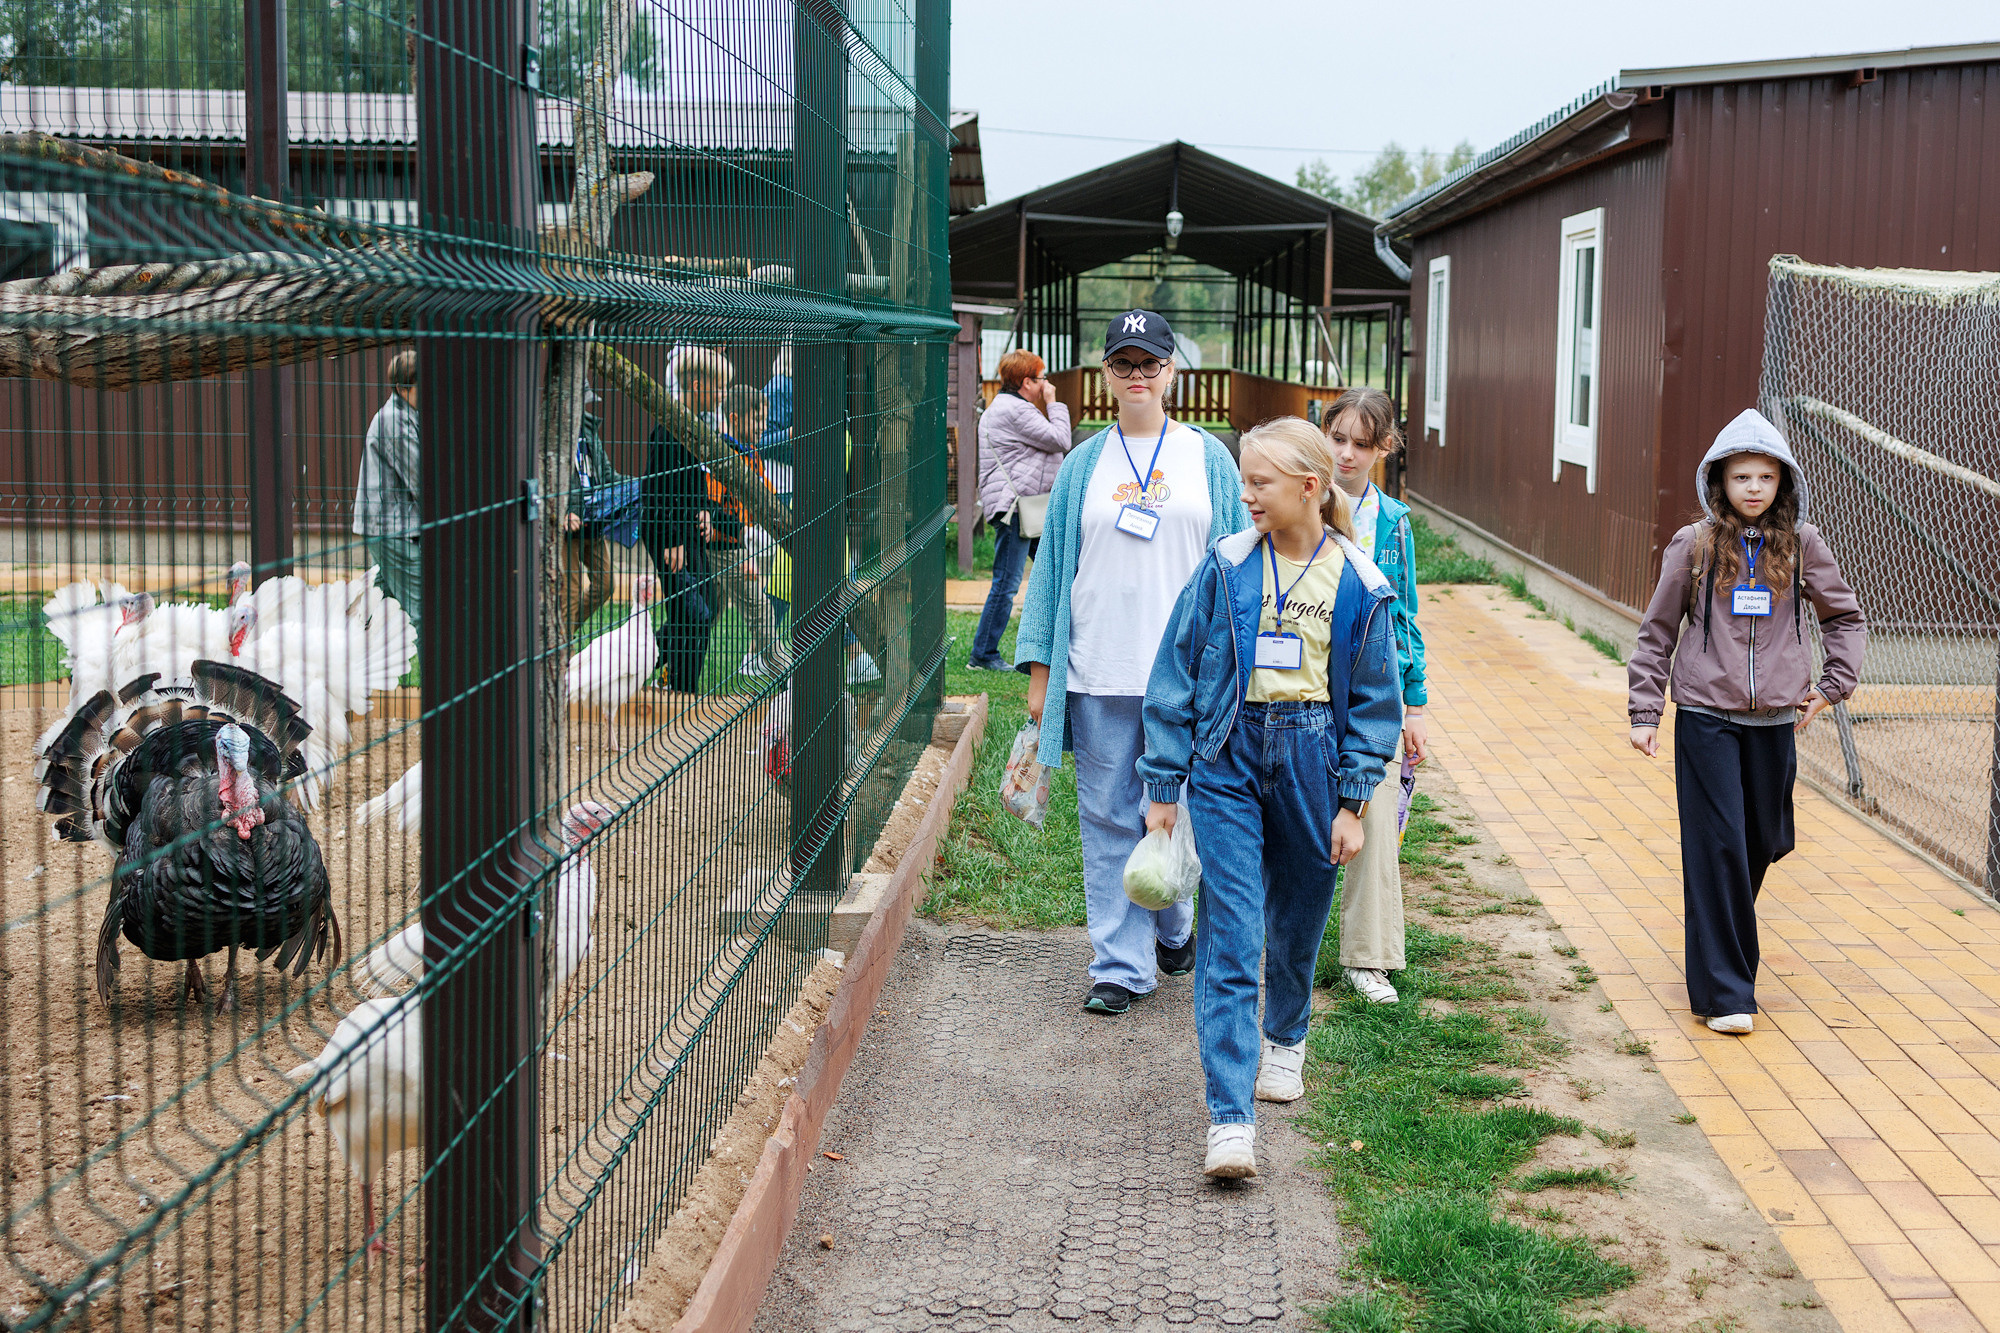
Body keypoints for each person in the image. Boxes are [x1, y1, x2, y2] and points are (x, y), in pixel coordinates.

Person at [1137, 416, 1401, 1179]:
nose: (1246, 495)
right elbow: (1176, 672)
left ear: (1310, 488)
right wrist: (1164, 785)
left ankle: (1286, 1036)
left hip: (1316, 759)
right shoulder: (1224, 568)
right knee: (1231, 928)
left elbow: (1376, 700)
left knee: (1296, 917)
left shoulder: (1359, 581)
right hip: (1228, 755)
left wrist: (1352, 801)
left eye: (1261, 482)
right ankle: (1230, 1119)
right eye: (1245, 480)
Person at [1014, 310, 1250, 1016]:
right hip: (1098, 670)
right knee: (1110, 817)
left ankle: (1172, 922)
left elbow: (1238, 563)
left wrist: (1237, 666)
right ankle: (1121, 966)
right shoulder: (1084, 462)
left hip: (1187, 678)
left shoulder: (1209, 460)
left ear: (1173, 369)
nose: (1138, 376)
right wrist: (1040, 671)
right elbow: (1053, 567)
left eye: (1151, 363)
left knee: (1176, 812)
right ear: (1106, 375)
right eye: (1125, 364)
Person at [1628, 409, 1866, 1035]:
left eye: (1766, 477)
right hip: (1707, 716)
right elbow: (1658, 630)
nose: (1754, 488)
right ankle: (1726, 992)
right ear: (1720, 483)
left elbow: (1844, 617)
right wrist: (1645, 710)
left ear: (1783, 483)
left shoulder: (1802, 545)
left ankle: (1716, 939)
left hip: (1776, 723)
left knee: (1762, 840)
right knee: (1719, 846)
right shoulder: (1696, 546)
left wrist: (1832, 687)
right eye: (1741, 477)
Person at [1321, 388, 1429, 1007]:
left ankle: (1370, 957)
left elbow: (1407, 612)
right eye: (1338, 439)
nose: (1347, 455)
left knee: (1376, 816)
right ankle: (1278, 941)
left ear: (1383, 448)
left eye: (1362, 444)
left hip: (1378, 688)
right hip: (1309, 679)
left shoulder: (1396, 522)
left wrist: (1414, 704)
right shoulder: (1301, 497)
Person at [970, 349, 1074, 670]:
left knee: (1056, 573)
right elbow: (1060, 438)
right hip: (1017, 509)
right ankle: (983, 654)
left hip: (1024, 508)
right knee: (1007, 582)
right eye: (1042, 378)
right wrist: (1054, 402)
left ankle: (1054, 645)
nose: (1046, 384)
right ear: (1027, 382)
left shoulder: (1008, 407)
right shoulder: (1015, 410)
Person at [642, 349, 727, 691]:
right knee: (695, 615)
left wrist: (705, 508)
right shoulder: (668, 431)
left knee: (700, 611)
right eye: (718, 387)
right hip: (669, 536)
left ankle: (672, 680)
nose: (722, 394)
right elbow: (653, 491)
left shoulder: (692, 426)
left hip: (689, 532)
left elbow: (691, 483)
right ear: (696, 385)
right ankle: (678, 686)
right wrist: (673, 538)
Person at [702, 384, 792, 680]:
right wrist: (742, 545)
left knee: (705, 615)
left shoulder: (751, 454)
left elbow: (765, 493)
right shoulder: (722, 453)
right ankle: (785, 677)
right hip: (720, 547)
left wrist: (780, 514)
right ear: (735, 418)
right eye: (757, 421)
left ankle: (672, 676)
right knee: (761, 610)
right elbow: (714, 508)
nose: (762, 427)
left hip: (734, 545)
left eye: (765, 421)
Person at [353, 348, 422, 630]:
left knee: (380, 608)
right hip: (392, 528)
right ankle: (436, 671)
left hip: (396, 525)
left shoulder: (408, 414)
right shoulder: (394, 421)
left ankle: (359, 657)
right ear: (403, 388)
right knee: (423, 608)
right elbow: (422, 479)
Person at [561, 385, 619, 638]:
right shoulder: (549, 432)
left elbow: (606, 474)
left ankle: (561, 636)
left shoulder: (587, 430)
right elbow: (541, 478)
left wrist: (640, 486)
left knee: (606, 585)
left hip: (593, 519)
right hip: (566, 527)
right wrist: (562, 512)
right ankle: (562, 650)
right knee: (570, 592)